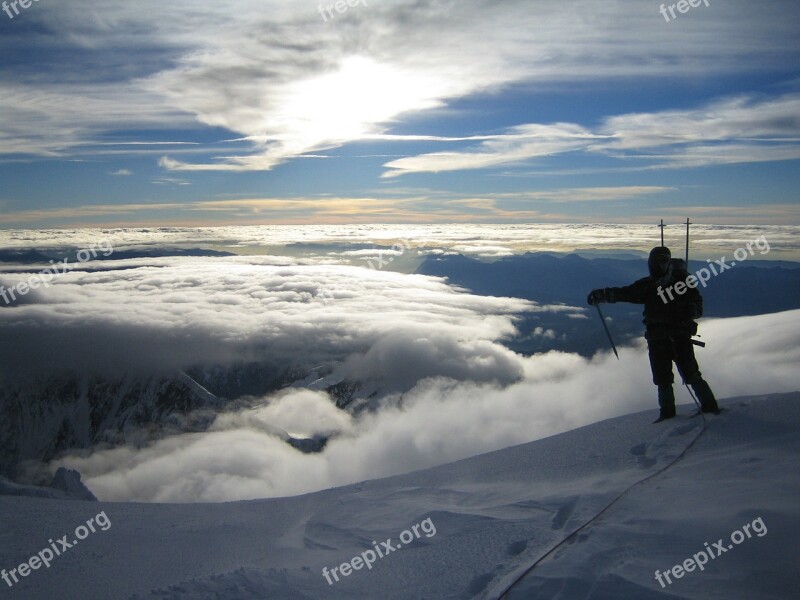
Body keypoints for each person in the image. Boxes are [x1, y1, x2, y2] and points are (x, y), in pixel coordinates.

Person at [587, 246, 720, 422]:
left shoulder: (671, 285)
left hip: (669, 336)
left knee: (682, 374)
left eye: (661, 261)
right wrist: (603, 294)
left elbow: (697, 307)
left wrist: (603, 295)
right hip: (666, 336)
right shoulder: (658, 285)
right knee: (667, 376)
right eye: (656, 261)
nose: (657, 265)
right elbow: (627, 293)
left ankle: (680, 412)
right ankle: (691, 409)